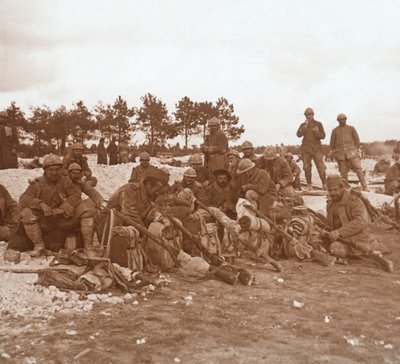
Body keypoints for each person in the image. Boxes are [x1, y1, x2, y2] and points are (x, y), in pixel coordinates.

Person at [324, 175, 393, 272]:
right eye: (330, 190)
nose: (332, 193)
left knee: (335, 248)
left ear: (342, 187)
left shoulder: (354, 201)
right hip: (341, 237)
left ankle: (369, 248)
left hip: (358, 237)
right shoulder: (331, 203)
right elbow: (332, 223)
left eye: (335, 190)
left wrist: (339, 232)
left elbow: (361, 220)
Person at [19, 154, 82, 256]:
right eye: (51, 170)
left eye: (57, 169)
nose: (54, 173)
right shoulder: (37, 183)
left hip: (63, 218)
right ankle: (39, 245)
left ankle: (89, 246)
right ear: (45, 170)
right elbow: (23, 199)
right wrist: (41, 204)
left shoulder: (65, 181)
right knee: (26, 213)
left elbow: (76, 195)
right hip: (44, 220)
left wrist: (63, 208)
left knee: (86, 208)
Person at [68, 163, 107, 251]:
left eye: (78, 174)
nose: (76, 176)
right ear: (69, 173)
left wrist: (101, 201)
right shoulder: (63, 182)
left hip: (75, 209)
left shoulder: (79, 183)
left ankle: (88, 245)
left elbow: (92, 192)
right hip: (61, 211)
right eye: (73, 173)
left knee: (90, 209)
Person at [329, 113, 368, 191]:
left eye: (343, 119)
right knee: (343, 173)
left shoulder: (351, 128)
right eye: (340, 120)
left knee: (358, 169)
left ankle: (365, 186)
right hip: (341, 155)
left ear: (346, 119)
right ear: (338, 121)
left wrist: (355, 149)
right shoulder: (335, 130)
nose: (342, 121)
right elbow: (332, 144)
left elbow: (357, 140)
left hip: (352, 153)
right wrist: (335, 153)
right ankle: (346, 189)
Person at [296, 107, 327, 190]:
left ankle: (324, 184)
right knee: (306, 167)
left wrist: (317, 132)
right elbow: (298, 135)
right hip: (306, 149)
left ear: (313, 114)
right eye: (307, 115)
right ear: (305, 115)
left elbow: (323, 136)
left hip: (317, 148)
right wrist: (304, 127)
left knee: (321, 167)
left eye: (310, 114)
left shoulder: (318, 124)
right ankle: (309, 185)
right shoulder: (303, 125)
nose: (308, 116)